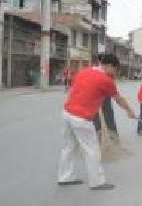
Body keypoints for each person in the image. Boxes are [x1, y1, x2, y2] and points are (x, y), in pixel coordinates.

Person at [57, 54, 136, 190]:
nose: (116, 73)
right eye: (116, 69)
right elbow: (118, 99)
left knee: (68, 147)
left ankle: (65, 177)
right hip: (81, 118)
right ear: (110, 66)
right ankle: (97, 182)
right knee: (92, 149)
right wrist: (129, 111)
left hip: (67, 113)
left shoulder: (85, 71)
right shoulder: (105, 80)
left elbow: (74, 91)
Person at [92, 54, 119, 143]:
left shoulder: (107, 71)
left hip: (104, 94)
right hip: (96, 96)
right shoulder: (97, 70)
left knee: (108, 113)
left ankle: (112, 136)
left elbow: (113, 83)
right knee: (98, 114)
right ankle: (100, 135)